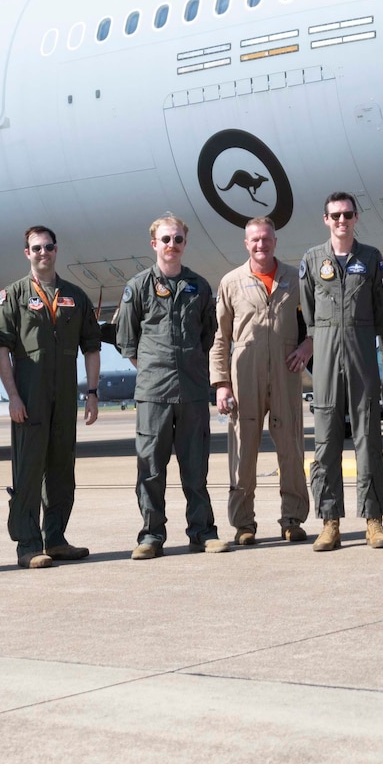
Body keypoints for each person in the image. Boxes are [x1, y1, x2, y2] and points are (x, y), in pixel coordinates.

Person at [0, 226, 103, 568]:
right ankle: (27, 544)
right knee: (28, 468)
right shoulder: (13, 295)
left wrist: (93, 392)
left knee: (61, 468)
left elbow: (92, 347)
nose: (44, 253)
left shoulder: (75, 296)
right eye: (37, 248)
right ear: (27, 253)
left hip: (65, 394)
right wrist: (13, 396)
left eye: (49, 247)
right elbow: (1, 349)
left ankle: (55, 539)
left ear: (57, 250)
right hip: (29, 393)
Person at [116, 216, 228, 557]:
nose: (172, 245)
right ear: (154, 244)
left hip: (192, 393)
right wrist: (153, 369)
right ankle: (151, 536)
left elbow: (209, 334)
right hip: (153, 394)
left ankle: (203, 532)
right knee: (150, 468)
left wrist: (190, 366)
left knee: (196, 468)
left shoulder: (199, 286)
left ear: (184, 243)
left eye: (178, 239)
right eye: (165, 239)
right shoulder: (138, 287)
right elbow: (126, 340)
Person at [298, 192, 383, 551]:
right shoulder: (312, 258)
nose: (342, 220)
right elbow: (307, 308)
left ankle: (374, 521)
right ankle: (329, 522)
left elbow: (381, 309)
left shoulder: (370, 258)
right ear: (326, 219)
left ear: (356, 218)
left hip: (360, 354)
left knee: (368, 436)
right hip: (325, 353)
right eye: (335, 215)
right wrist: (316, 338)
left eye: (348, 214)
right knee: (325, 441)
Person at [212, 217, 312, 544]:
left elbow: (316, 323)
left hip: (286, 372)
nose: (261, 244)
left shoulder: (295, 279)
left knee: (292, 451)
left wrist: (307, 348)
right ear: (246, 244)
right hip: (245, 376)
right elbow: (220, 338)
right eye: (255, 240)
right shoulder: (231, 282)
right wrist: (221, 384)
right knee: (243, 453)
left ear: (275, 241)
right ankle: (244, 525)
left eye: (266, 239)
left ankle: (293, 520)